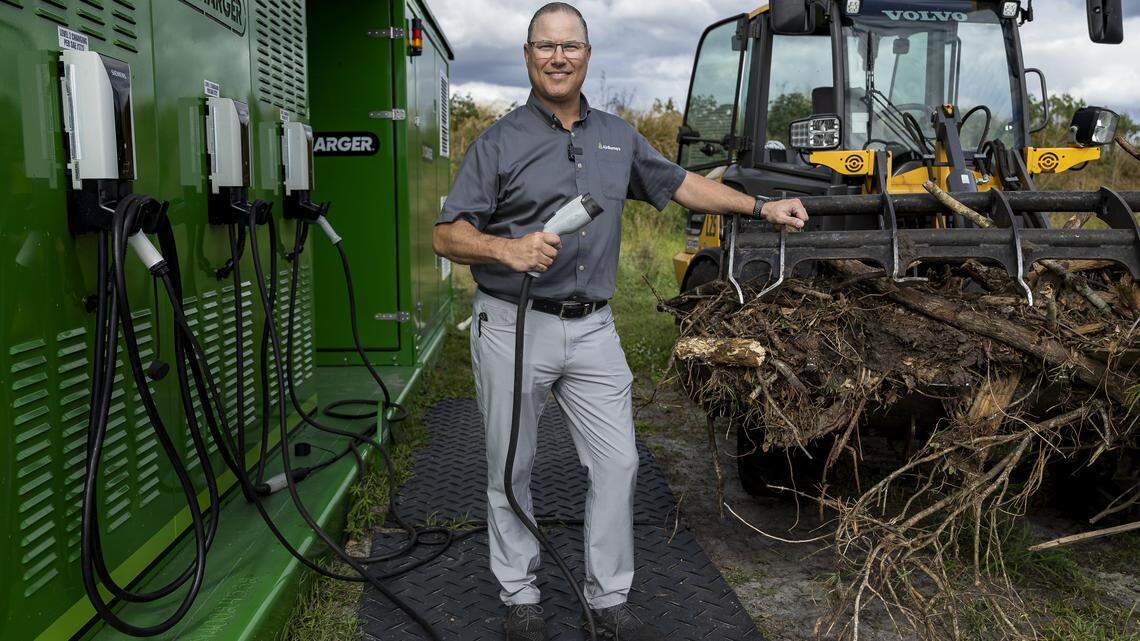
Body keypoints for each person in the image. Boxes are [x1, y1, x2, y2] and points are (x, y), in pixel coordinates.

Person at [432, 3, 808, 639]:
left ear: (587, 54)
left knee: (619, 463)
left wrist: (761, 206)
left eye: (570, 46)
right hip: (514, 321)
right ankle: (520, 595)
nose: (558, 57)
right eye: (545, 46)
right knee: (510, 464)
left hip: (593, 329)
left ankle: (607, 599)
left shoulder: (617, 135)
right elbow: (447, 235)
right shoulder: (498, 142)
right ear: (528, 56)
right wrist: (505, 249)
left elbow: (683, 183)